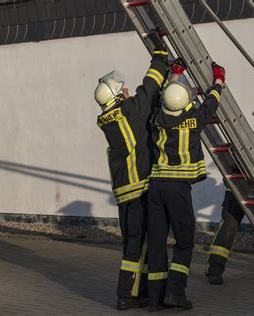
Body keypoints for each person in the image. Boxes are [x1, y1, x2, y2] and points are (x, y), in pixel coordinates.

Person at [94, 36, 169, 310]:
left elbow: (133, 106)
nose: (125, 90)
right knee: (145, 242)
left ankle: (130, 294)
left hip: (124, 193)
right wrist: (160, 55)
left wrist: (126, 100)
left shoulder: (112, 119)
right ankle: (139, 294)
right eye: (121, 89)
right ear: (117, 97)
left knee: (132, 245)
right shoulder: (133, 110)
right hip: (141, 190)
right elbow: (149, 88)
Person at [146, 63, 226, 311]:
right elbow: (209, 104)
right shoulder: (193, 119)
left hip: (156, 186)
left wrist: (175, 75)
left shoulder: (156, 117)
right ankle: (176, 293)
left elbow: (163, 96)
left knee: (157, 242)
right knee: (184, 242)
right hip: (178, 189)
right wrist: (218, 82)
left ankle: (155, 298)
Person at [205, 100, 254, 284]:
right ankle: (214, 270)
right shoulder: (245, 139)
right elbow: (234, 161)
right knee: (228, 227)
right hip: (237, 191)